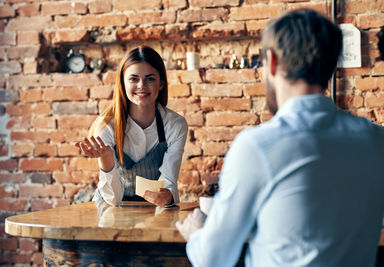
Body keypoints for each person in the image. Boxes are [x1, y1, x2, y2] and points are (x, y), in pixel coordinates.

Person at [176, 9, 384, 266]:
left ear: (271, 62)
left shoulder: (258, 146)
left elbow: (213, 259)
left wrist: (197, 233)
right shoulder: (376, 140)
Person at [75, 46, 188, 207]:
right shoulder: (107, 125)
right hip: (109, 208)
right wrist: (106, 157)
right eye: (133, 79)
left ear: (161, 83)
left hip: (153, 208)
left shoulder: (175, 125)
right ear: (122, 83)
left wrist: (167, 197)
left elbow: (168, 182)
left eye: (150, 78)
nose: (141, 85)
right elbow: (112, 199)